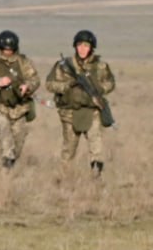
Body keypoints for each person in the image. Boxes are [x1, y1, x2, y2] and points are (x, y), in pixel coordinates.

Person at [44, 29, 115, 175]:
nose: (82, 49)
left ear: (91, 48)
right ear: (75, 46)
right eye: (80, 45)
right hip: (69, 113)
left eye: (86, 46)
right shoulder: (64, 65)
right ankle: (65, 180)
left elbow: (110, 83)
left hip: (92, 112)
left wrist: (99, 89)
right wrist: (67, 85)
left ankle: (97, 177)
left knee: (96, 147)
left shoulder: (100, 66)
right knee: (69, 149)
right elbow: (50, 84)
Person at [0, 30, 40, 169]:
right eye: (5, 50)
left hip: (20, 108)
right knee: (5, 135)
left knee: (18, 142)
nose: (8, 52)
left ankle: (9, 165)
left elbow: (35, 79)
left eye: (10, 50)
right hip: (1, 108)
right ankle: (6, 165)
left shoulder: (24, 62)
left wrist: (27, 86)